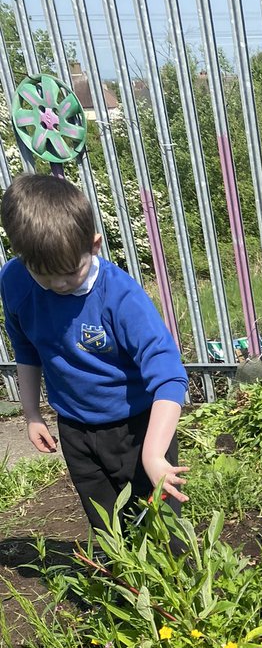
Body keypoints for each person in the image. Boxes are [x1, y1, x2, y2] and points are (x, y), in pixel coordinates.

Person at [0, 173, 188, 534]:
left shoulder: (120, 296)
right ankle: (128, 588)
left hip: (136, 428)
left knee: (161, 530)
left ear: (94, 244)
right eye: (44, 275)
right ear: (22, 259)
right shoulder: (15, 281)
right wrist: (31, 414)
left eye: (71, 271)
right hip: (75, 430)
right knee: (109, 530)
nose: (58, 284)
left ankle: (178, 588)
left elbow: (169, 375)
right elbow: (24, 345)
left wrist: (153, 454)